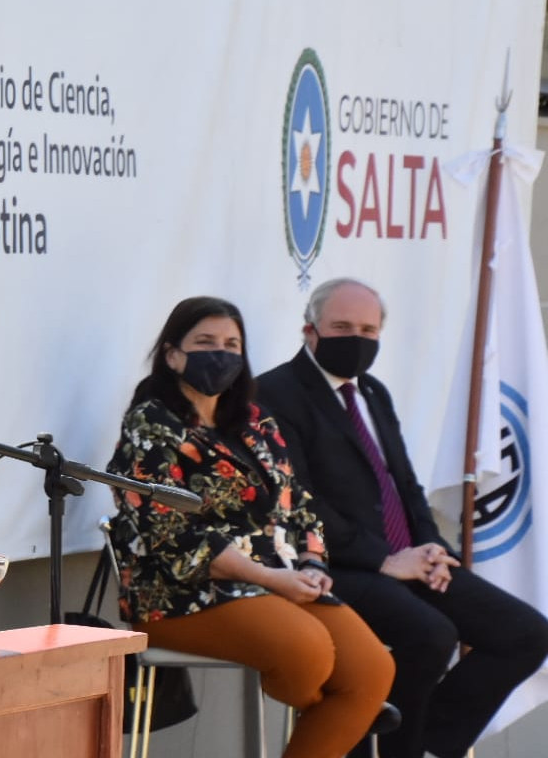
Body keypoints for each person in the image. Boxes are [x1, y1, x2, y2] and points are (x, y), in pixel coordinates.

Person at [257, 277, 548, 758]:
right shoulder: (274, 394)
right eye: (342, 326)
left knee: (524, 634)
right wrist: (385, 560)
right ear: (309, 331)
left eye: (369, 330)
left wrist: (432, 546)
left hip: (408, 559)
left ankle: (425, 745)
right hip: (334, 567)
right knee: (431, 635)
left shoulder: (372, 391)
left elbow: (404, 484)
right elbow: (295, 504)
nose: (357, 339)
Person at [106, 295, 393, 758]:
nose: (220, 353)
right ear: (172, 353)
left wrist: (312, 560)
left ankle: (344, 707)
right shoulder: (151, 423)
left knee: (372, 671)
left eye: (231, 343)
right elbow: (165, 531)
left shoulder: (255, 421)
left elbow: (297, 502)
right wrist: (267, 577)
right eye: (204, 342)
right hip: (179, 593)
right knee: (308, 654)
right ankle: (333, 707)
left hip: (277, 582)